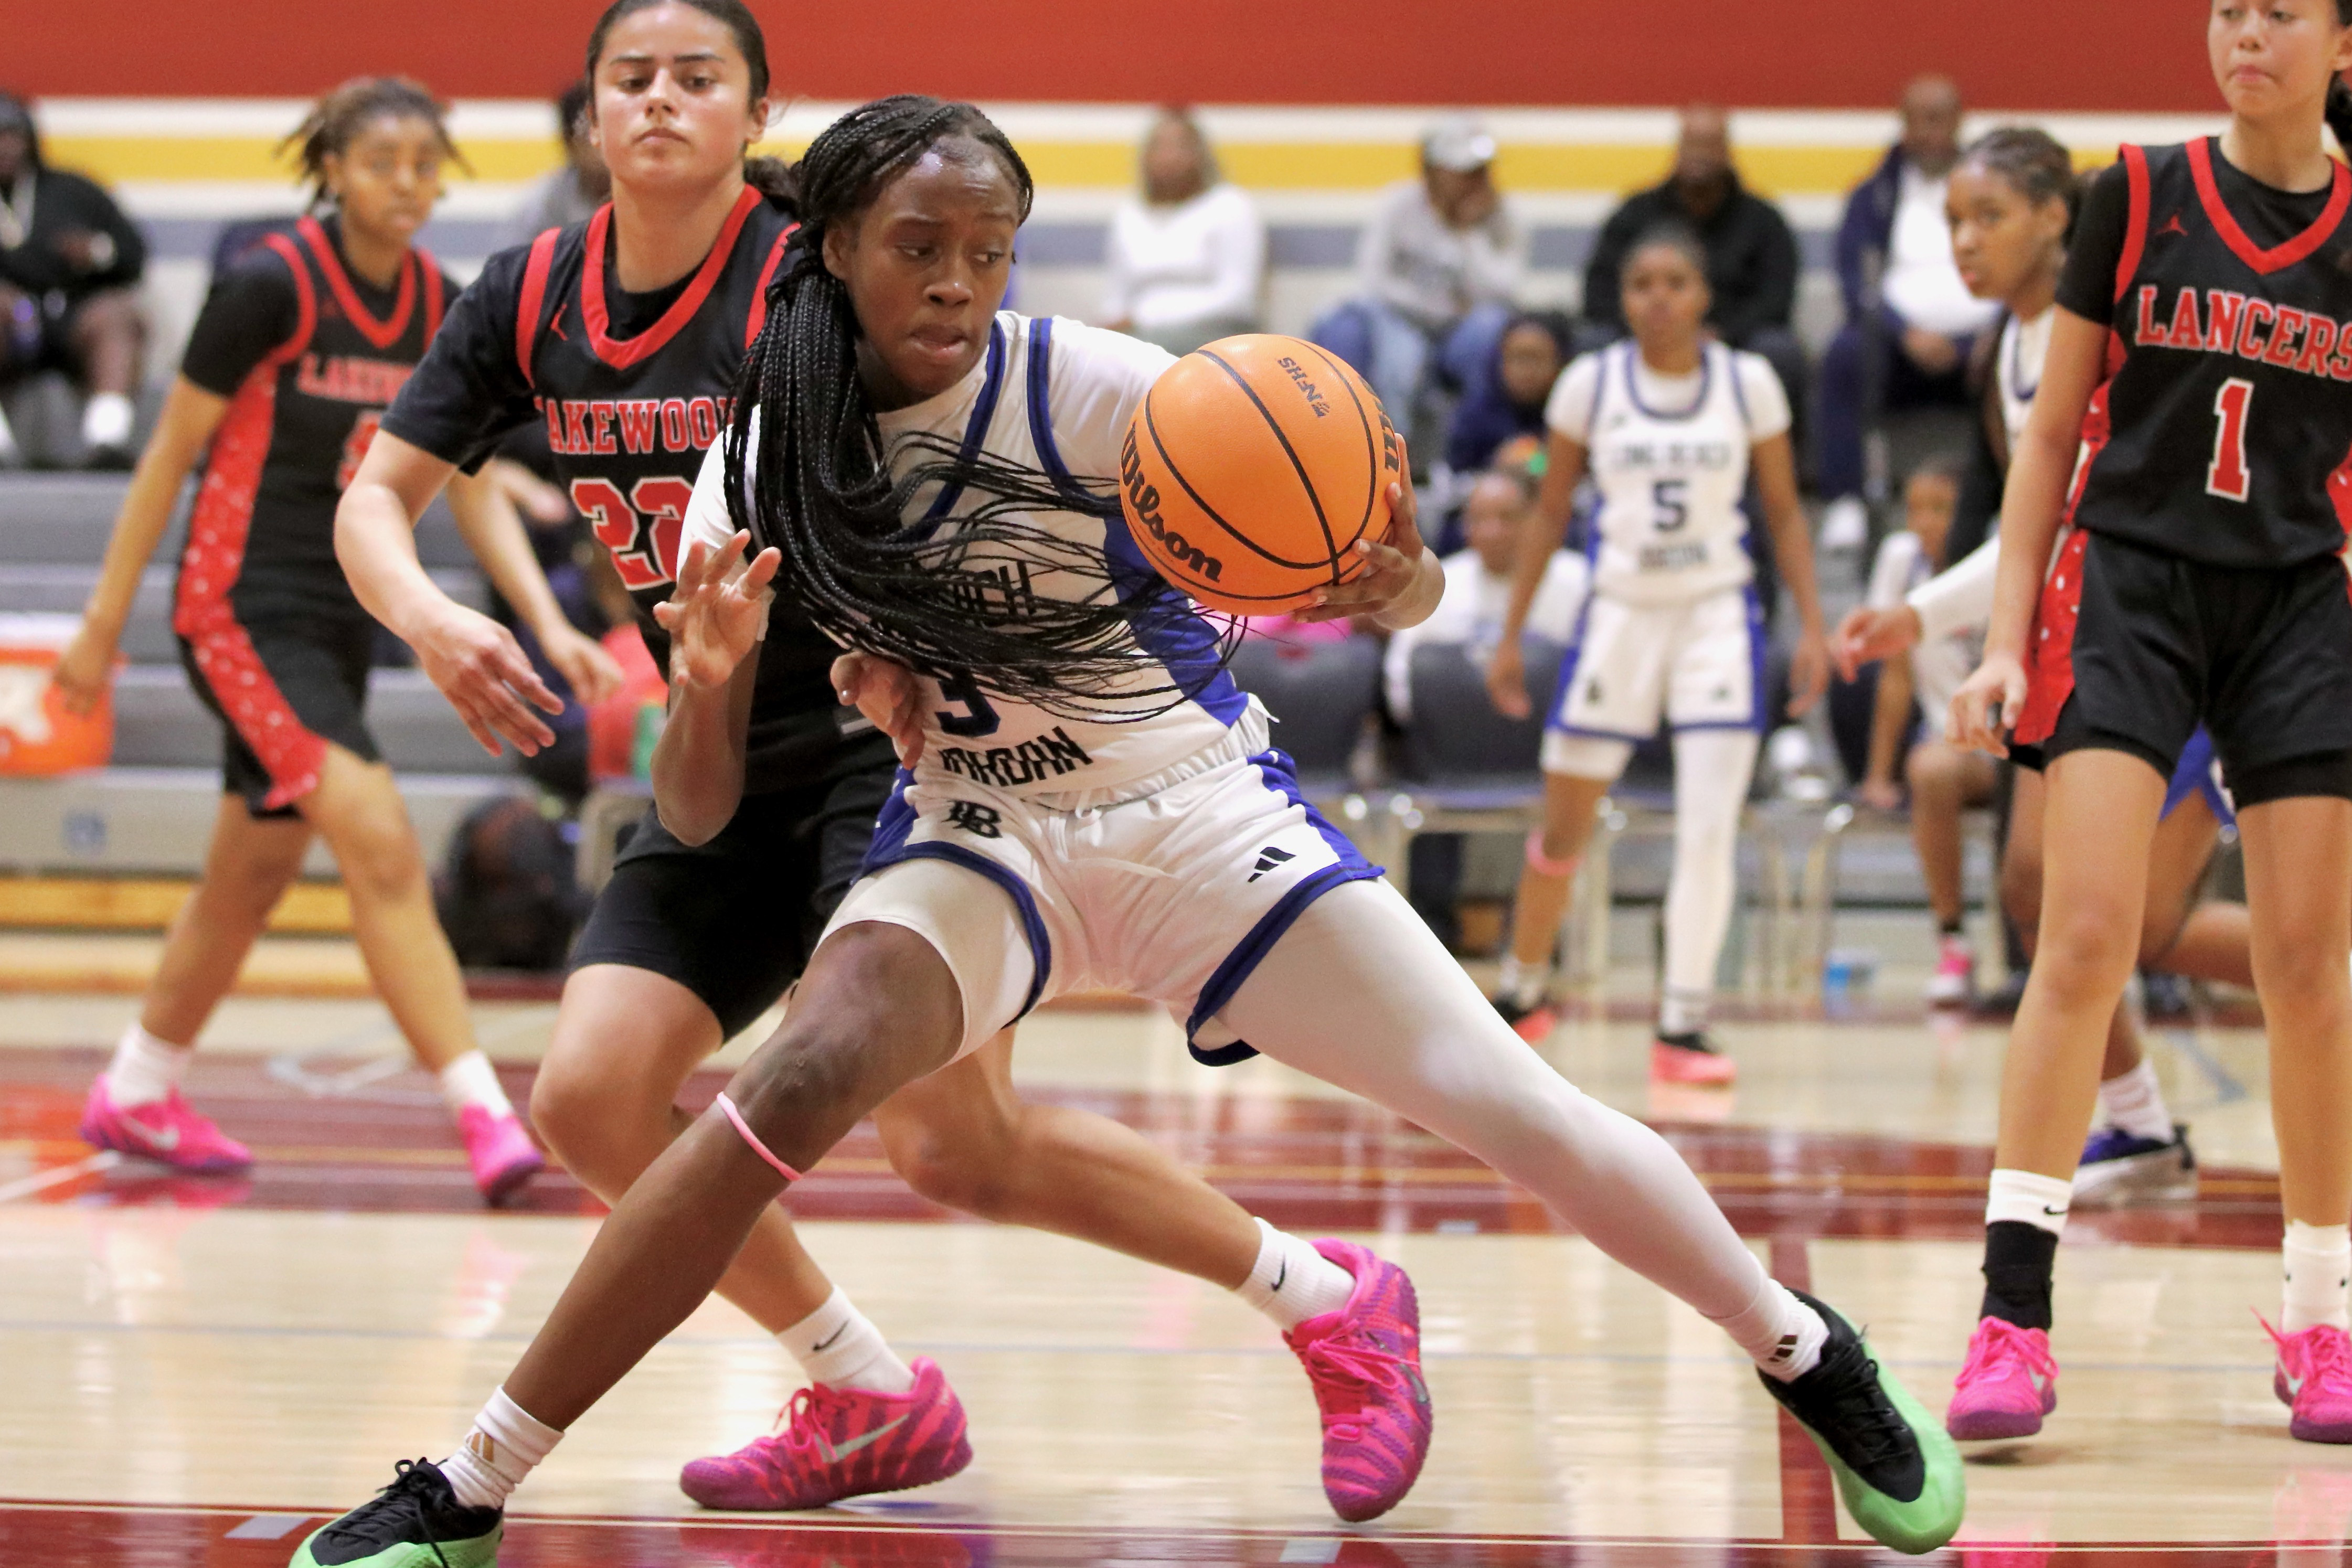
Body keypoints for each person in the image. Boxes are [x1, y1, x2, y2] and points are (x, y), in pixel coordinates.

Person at [286, 92, 1964, 1568]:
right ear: (832, 255)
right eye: (920, 245)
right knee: (781, 1091)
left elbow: (1399, 576)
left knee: (1505, 1104)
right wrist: (710, 682)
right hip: (977, 839)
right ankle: (471, 1480)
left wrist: (1390, 577)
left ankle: (1802, 1349)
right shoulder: (759, 469)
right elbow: (701, 809)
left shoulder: (1098, 388)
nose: (958, 281)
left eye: (991, 249)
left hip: (1191, 814)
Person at [332, 1, 1412, 1523]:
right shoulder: (528, 294)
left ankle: (1325, 1294)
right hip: (714, 736)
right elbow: (371, 498)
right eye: (628, 79)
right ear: (587, 117)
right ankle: (865, 1387)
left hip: (888, 738)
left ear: (757, 115)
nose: (657, 104)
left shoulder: (824, 260)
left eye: (695, 79)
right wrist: (438, 621)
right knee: (587, 1093)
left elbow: (985, 411)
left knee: (951, 1145)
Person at [46, 79, 615, 1203]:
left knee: (249, 873)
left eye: (424, 164)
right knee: (380, 839)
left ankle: (140, 1086)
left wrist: (548, 622)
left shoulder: (440, 309)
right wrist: (100, 629)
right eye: (383, 161)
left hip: (345, 618)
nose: (406, 184)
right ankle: (485, 1116)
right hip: (240, 608)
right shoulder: (267, 290)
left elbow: (467, 482)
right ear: (334, 170)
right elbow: (167, 459)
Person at [1942, 1, 2352, 1444]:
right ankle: (2010, 1318)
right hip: (2129, 585)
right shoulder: (2134, 191)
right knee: (2083, 932)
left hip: (2301, 597)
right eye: (2226, 10)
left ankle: (2321, 1315)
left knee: (2307, 962)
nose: (2245, 34)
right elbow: (2049, 433)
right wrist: (2001, 642)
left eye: (2279, 12)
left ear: (2341, 46)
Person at [1834, 127, 2213, 1204]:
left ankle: (2143, 1125)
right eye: (1952, 220)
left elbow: (2074, 514)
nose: (1964, 241)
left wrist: (1918, 611)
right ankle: (2139, 1127)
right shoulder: (2010, 342)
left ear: (2057, 216)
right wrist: (1936, 617)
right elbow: (2028, 524)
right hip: (2065, 637)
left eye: (1987, 216)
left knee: (2112, 914)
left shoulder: (2100, 332)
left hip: (2147, 631)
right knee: (2032, 889)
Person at [1481, 224, 1830, 1083]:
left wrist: (1814, 627)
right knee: (1562, 826)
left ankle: (1682, 1021)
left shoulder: (1745, 382)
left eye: (1675, 281)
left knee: (1707, 830)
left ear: (1703, 294)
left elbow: (1784, 511)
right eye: (1641, 283)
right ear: (1623, 297)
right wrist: (1508, 631)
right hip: (1619, 616)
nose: (1659, 297)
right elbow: (1551, 512)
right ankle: (1524, 988)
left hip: (1715, 614)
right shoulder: (1587, 384)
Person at [1818, 76, 2001, 546]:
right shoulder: (1873, 196)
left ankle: (2009, 503)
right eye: (1917, 121)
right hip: (1896, 348)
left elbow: (2015, 268)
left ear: (1960, 122)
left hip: (1981, 344)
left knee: (2025, 351)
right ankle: (1848, 501)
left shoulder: (1995, 190)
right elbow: (1856, 280)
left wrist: (1979, 337)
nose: (1927, 132)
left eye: (1938, 119)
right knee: (1845, 353)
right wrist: (1905, 332)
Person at [1854, 458, 1988, 1002]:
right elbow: (1895, 677)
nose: (1924, 522)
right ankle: (1952, 941)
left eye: (1940, 509)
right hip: (1955, 742)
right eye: (1914, 509)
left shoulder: (2000, 548)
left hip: (2026, 739)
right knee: (1929, 771)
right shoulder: (1900, 560)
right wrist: (1877, 774)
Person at [1578, 105, 1807, 421]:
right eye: (1692, 144)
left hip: (1732, 342)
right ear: (1677, 149)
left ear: (1728, 152)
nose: (1700, 155)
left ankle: (1776, 460)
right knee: (1592, 342)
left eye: (1710, 144)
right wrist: (1651, 331)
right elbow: (1599, 291)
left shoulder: (1764, 222)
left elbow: (1777, 299)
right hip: (1640, 338)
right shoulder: (1634, 215)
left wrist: (1720, 334)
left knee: (1780, 349)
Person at [1313, 114, 1528, 435]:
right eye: (1463, 171)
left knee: (1491, 329)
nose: (1474, 180)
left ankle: (1469, 450)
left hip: (1461, 330)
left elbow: (1504, 293)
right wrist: (1436, 309)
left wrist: (1469, 235)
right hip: (1400, 317)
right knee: (1401, 361)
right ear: (1432, 170)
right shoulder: (1398, 205)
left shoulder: (1504, 216)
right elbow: (1374, 280)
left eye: (1480, 170)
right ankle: (1394, 454)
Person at [0, 91, 148, 467]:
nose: (4, 147)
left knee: (116, 316)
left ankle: (107, 438)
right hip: (10, 321)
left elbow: (134, 253)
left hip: (74, 314)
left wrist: (98, 252)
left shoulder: (74, 190)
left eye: (12, 135)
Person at [1101, 106, 1263, 357]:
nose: (1169, 157)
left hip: (1215, 336)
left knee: (1141, 353)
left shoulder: (1230, 206)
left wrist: (1146, 319)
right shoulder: (1129, 215)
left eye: (1180, 147)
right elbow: (1116, 296)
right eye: (1159, 147)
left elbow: (1238, 298)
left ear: (1201, 155)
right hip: (1136, 335)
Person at [494, 79, 611, 252]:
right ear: (569, 144)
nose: (600, 146)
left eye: (607, 134)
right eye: (589, 138)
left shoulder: (647, 198)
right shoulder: (542, 207)